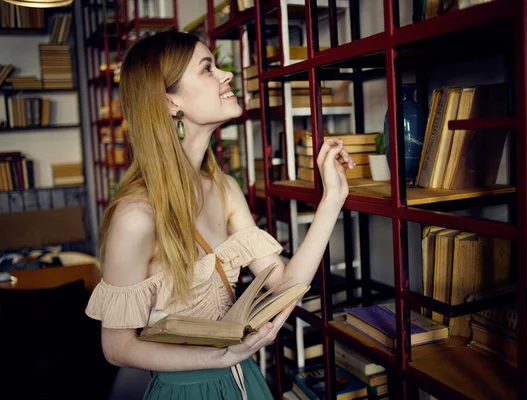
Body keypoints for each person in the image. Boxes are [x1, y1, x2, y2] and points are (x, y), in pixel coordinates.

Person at [85, 28, 356, 400]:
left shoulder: (225, 188)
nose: (226, 74)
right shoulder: (136, 216)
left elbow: (283, 287)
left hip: (246, 382)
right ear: (170, 103)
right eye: (208, 68)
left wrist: (333, 199)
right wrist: (217, 358)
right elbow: (116, 347)